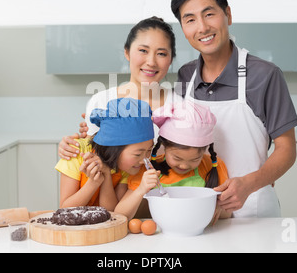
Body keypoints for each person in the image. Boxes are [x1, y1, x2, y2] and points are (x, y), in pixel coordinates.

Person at [170, 0, 297, 217]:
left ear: (227, 15)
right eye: (190, 20)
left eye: (209, 14)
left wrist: (249, 184)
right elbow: (173, 136)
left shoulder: (265, 75)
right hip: (198, 212)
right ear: (184, 29)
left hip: (253, 210)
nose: (202, 27)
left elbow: (287, 149)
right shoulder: (186, 75)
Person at [58, 16, 176, 160]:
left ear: (170, 60)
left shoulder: (182, 105)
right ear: (127, 52)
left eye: (161, 54)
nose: (151, 62)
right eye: (143, 51)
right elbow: (92, 159)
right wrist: (72, 147)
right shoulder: (102, 101)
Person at [114, 98, 231, 223]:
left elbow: (227, 214)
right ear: (164, 147)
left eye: (195, 159)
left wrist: (217, 205)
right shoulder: (148, 170)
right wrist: (141, 190)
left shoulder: (212, 165)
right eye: (177, 158)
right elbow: (119, 216)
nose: (184, 165)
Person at [54, 97, 155, 211]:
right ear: (114, 149)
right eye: (138, 154)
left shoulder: (129, 167)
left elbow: (112, 213)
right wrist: (93, 183)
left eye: (149, 151)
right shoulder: (76, 151)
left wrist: (106, 175)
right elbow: (64, 209)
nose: (145, 159)